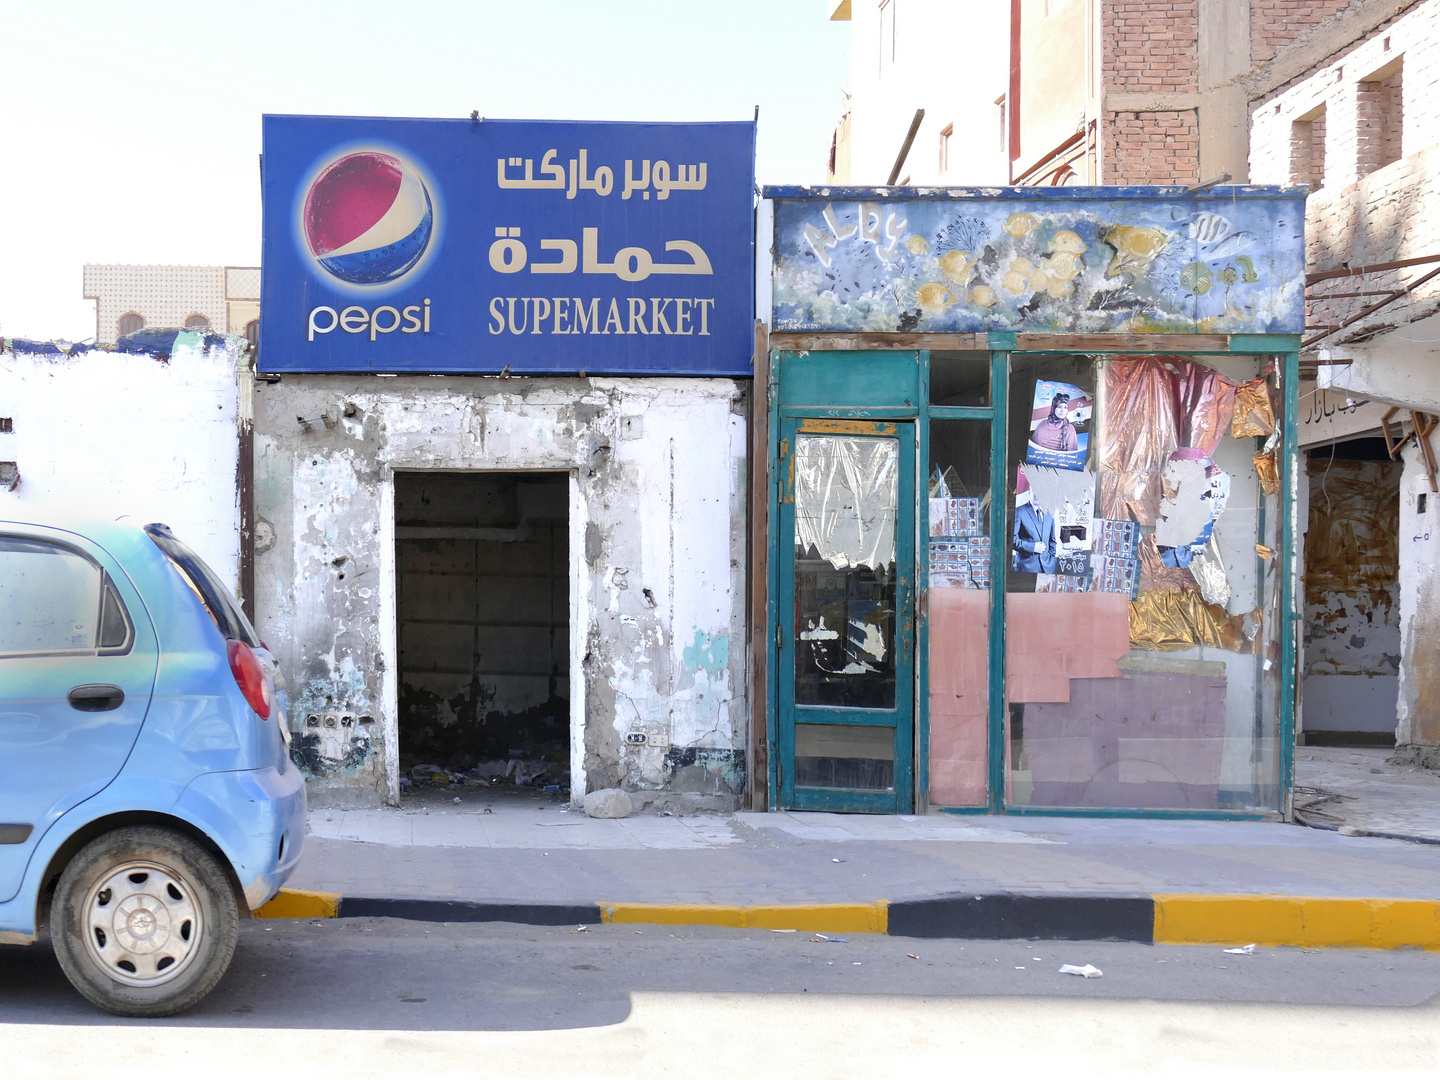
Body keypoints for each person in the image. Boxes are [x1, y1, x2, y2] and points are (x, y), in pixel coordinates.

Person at [1012, 467, 1058, 574]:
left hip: (1048, 568)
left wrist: (1051, 560)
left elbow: (1053, 541)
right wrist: (1033, 547)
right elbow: (1013, 541)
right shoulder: (1020, 512)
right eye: (1034, 489)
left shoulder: (1049, 513)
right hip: (1026, 568)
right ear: (1029, 491)